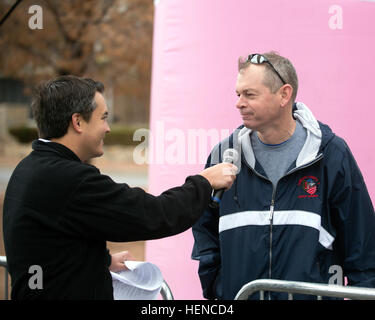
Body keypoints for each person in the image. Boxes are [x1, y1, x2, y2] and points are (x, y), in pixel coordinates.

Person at [2, 75, 237, 300]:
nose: (108, 128)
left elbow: (52, 246)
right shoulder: (69, 179)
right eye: (103, 118)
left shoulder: (29, 168)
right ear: (77, 122)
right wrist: (204, 182)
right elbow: (154, 215)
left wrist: (99, 262)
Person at [191, 51, 375, 300]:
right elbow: (205, 228)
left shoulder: (330, 154)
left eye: (249, 94)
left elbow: (361, 244)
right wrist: (217, 287)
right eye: (238, 94)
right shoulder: (224, 154)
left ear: (284, 95)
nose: (239, 103)